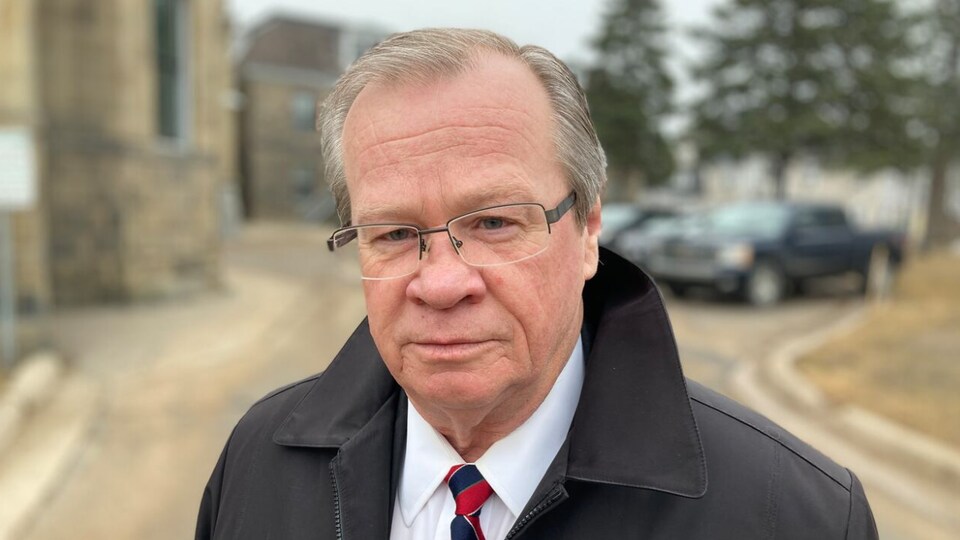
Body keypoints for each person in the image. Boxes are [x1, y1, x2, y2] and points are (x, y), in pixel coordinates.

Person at [196, 28, 877, 539]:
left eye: (493, 222)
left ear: (586, 230)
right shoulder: (257, 463)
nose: (441, 283)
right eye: (395, 234)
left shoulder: (795, 515)